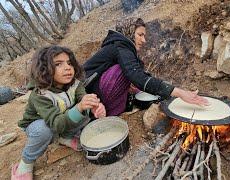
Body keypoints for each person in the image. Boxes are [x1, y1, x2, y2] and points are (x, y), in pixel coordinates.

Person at [11, 46, 106, 180]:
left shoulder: (75, 84)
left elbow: (83, 99)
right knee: (44, 129)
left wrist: (95, 107)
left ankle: (65, 137)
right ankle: (26, 163)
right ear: (44, 69)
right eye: (58, 64)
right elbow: (55, 123)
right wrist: (79, 107)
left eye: (69, 63)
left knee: (83, 109)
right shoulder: (40, 94)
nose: (68, 68)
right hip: (38, 125)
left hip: (59, 120)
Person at [83, 18, 208, 116]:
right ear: (129, 32)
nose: (144, 40)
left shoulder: (120, 46)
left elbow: (137, 75)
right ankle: (103, 109)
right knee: (123, 71)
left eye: (144, 36)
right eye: (140, 35)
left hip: (95, 91)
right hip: (87, 95)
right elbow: (137, 76)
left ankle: (110, 110)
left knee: (133, 73)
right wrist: (180, 93)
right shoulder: (120, 46)